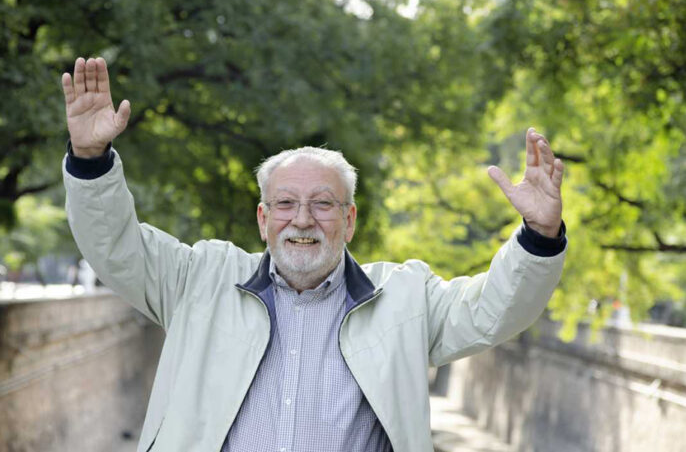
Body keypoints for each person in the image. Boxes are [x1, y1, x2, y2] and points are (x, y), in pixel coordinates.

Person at [61, 57, 567, 452]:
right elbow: (116, 247)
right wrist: (91, 161)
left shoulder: (407, 298)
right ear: (263, 220)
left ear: (348, 221)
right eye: (285, 204)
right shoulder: (199, 280)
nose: (302, 219)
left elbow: (493, 310)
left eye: (323, 204)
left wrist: (538, 234)